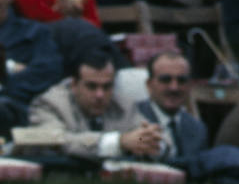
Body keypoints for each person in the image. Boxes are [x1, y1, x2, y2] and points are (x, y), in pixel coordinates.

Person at [28, 50, 163, 158]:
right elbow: (58, 142)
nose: (100, 95)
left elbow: (158, 139)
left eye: (107, 87)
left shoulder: (122, 103)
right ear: (74, 84)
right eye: (92, 86)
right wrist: (119, 142)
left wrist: (148, 141)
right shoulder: (49, 104)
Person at [135, 47, 210, 159]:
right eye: (165, 80)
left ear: (190, 85)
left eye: (181, 80)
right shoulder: (132, 119)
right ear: (149, 85)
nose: (174, 88)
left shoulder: (197, 129)